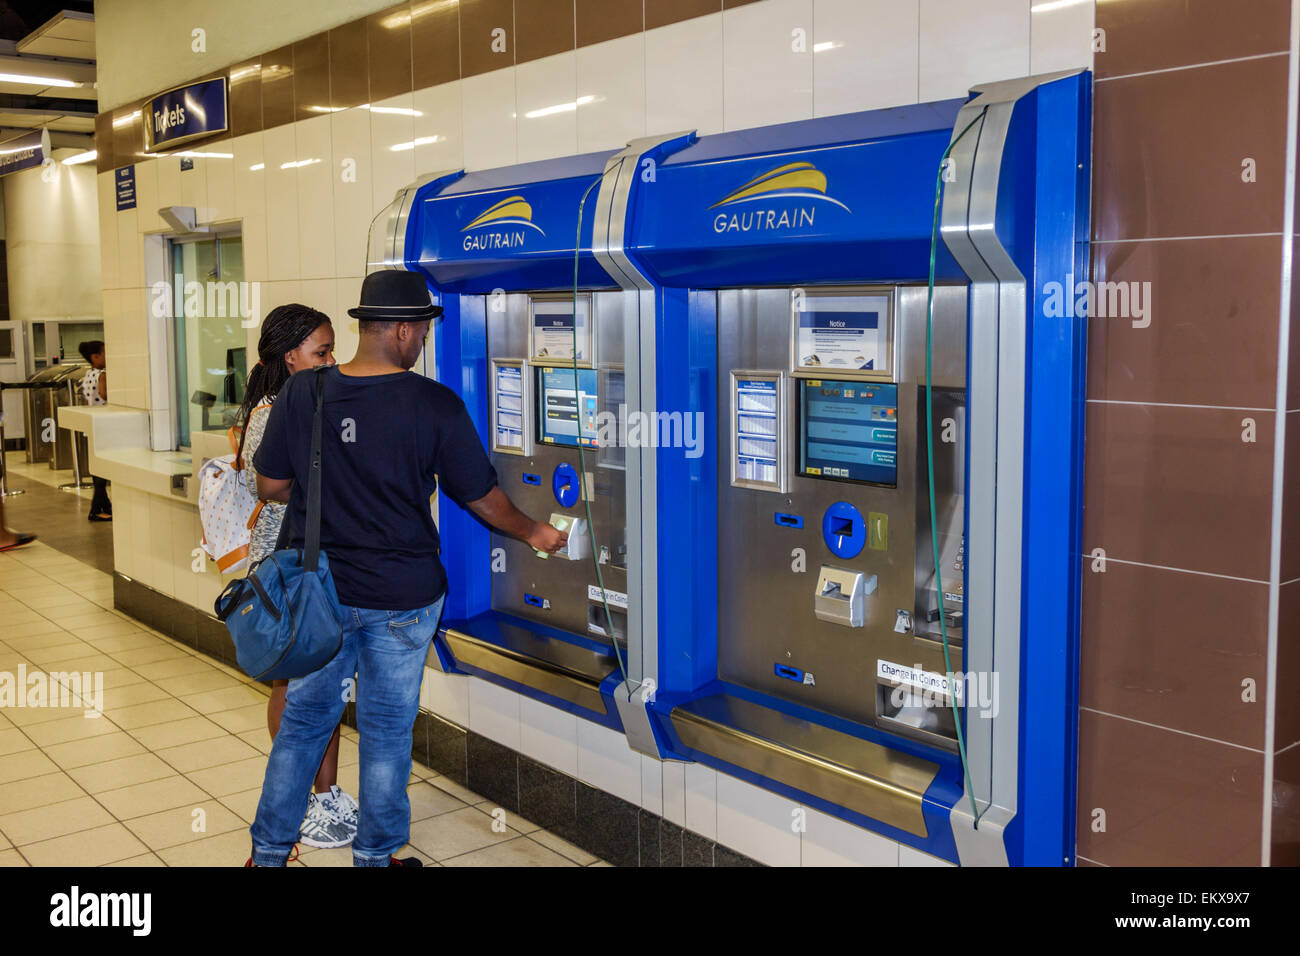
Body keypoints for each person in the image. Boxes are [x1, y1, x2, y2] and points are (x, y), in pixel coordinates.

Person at [246, 271, 567, 867]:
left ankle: (267, 855)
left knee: (304, 726)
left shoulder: (304, 392)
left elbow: (271, 484)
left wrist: (331, 484)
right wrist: (537, 532)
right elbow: (483, 499)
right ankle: (375, 857)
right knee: (387, 731)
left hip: (321, 596)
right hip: (403, 596)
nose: (420, 340)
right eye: (419, 329)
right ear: (400, 329)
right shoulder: (434, 403)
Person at [233, 304, 357, 850]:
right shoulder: (275, 413)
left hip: (310, 560)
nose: (332, 361)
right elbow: (274, 487)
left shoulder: (304, 401)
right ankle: (308, 797)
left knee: (315, 681)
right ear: (290, 357)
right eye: (321, 352)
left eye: (332, 349)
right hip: (289, 567)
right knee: (300, 681)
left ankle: (321, 792)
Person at [78, 341, 112, 521]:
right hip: (104, 424)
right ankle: (97, 509)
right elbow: (105, 394)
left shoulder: (87, 374)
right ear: (95, 357)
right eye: (105, 353)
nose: (108, 356)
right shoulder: (102, 374)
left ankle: (104, 505)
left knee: (97, 468)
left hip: (92, 424)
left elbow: (86, 399)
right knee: (102, 471)